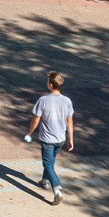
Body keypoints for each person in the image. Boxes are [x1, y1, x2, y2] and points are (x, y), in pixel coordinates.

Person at [24, 71, 74, 205]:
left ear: (50, 85)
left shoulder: (43, 100)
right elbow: (69, 122)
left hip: (47, 139)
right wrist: (70, 139)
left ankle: (57, 189)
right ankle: (45, 181)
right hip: (61, 138)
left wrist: (29, 133)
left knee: (47, 163)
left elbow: (36, 119)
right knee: (50, 161)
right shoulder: (67, 101)